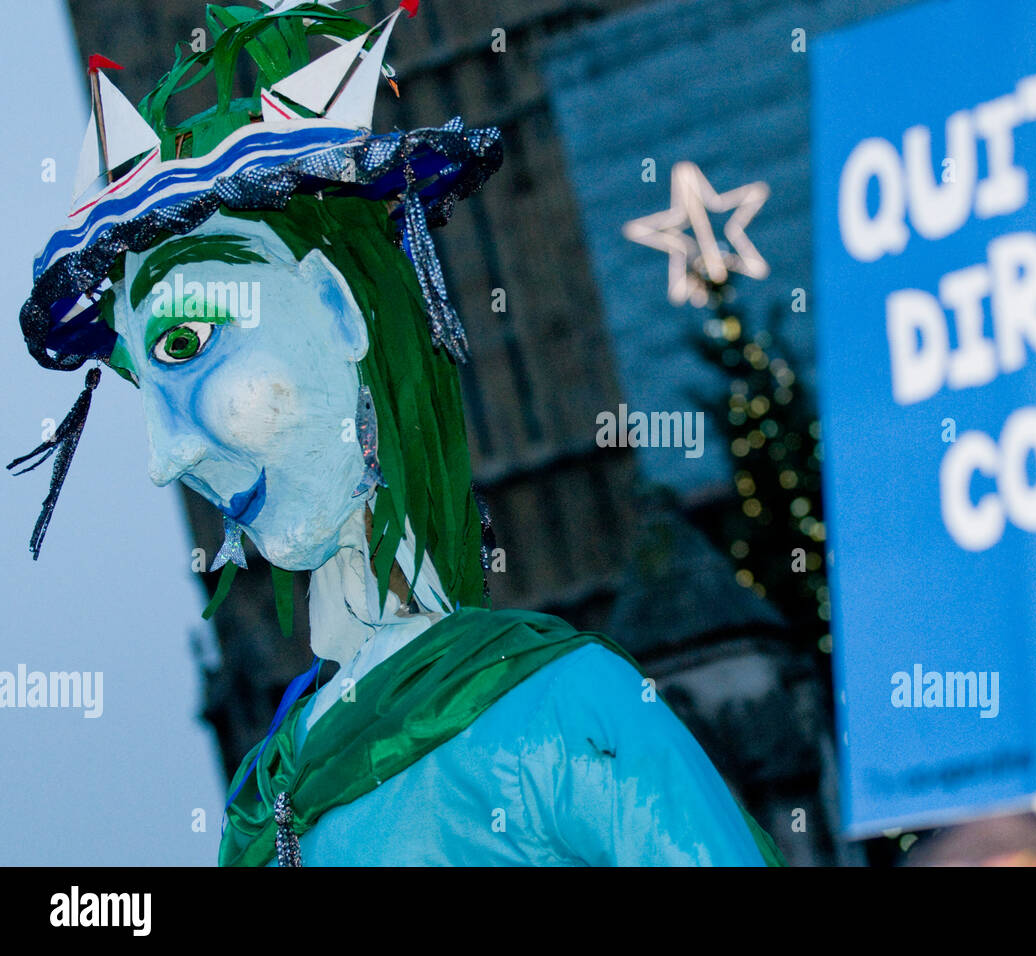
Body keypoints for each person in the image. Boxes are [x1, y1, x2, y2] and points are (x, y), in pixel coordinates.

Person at [12, 0, 782, 867]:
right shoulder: (266, 804)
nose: (165, 456)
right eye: (145, 386)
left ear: (342, 309)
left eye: (186, 345)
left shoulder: (561, 711)